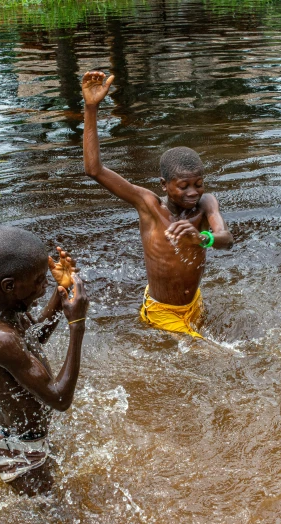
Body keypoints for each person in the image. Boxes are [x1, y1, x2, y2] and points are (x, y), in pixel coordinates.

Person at [81, 70, 233, 339]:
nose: (192, 193)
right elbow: (95, 170)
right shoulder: (148, 205)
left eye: (198, 184)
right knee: (212, 357)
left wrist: (202, 238)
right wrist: (91, 108)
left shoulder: (206, 204)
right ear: (164, 184)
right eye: (183, 186)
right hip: (161, 311)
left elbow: (226, 239)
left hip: (194, 304)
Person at [0, 227, 89, 494]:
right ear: (9, 286)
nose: (44, 284)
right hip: (18, 450)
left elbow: (34, 338)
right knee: (56, 517)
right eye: (38, 280)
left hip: (18, 436)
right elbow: (60, 399)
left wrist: (62, 292)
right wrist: (77, 324)